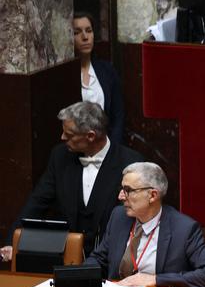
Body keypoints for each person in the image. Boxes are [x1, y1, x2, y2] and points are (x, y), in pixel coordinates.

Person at [1, 102, 143, 262]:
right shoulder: (60, 156)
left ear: (90, 136)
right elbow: (37, 202)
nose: (62, 138)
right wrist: (12, 242)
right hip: (67, 259)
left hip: (111, 261)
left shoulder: (130, 162)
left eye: (69, 135)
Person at [85, 162, 205, 287]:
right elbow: (99, 259)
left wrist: (155, 279)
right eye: (122, 189)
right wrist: (76, 277)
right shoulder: (118, 217)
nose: (121, 196)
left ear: (153, 195)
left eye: (128, 190)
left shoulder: (184, 229)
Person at [73, 11, 126, 143]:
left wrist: (112, 149)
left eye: (89, 31)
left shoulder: (107, 70)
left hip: (106, 146)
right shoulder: (65, 76)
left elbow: (118, 115)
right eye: (77, 32)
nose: (85, 37)